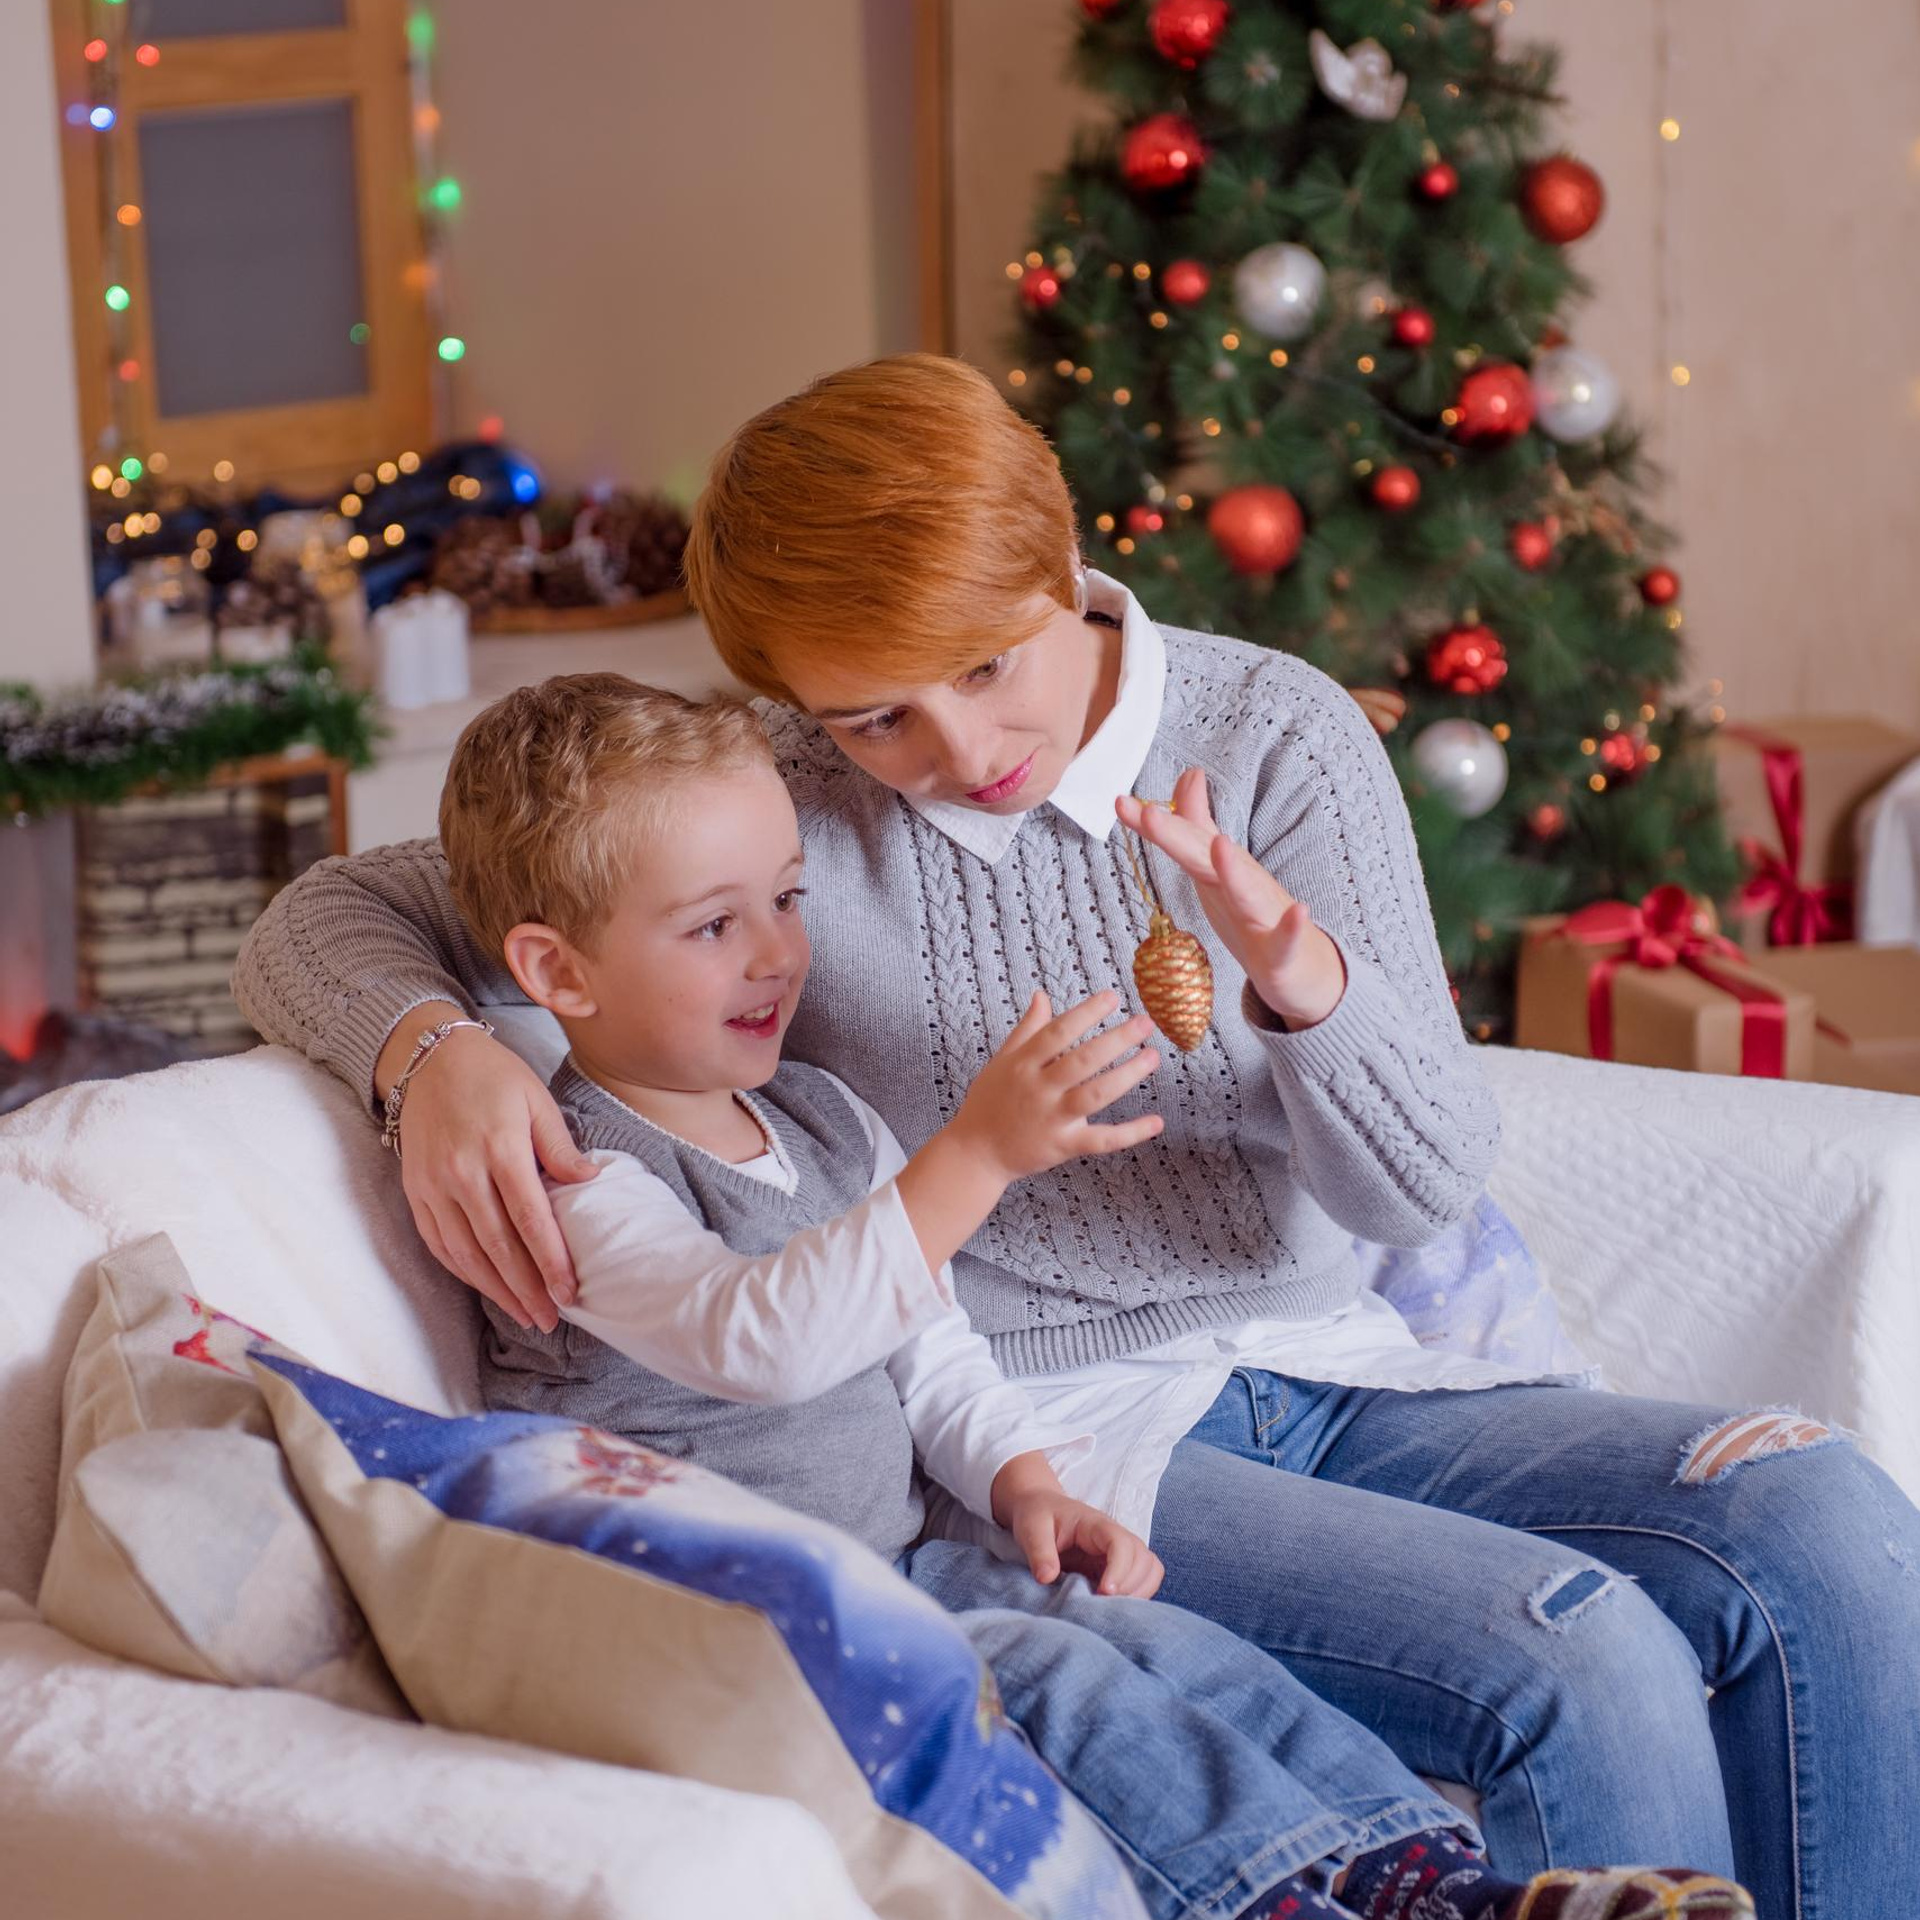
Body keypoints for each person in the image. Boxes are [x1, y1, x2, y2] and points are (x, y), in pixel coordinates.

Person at [233, 355, 1920, 1920]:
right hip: (1047, 1417)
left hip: (1337, 1362)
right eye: (877, 715)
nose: (957, 754)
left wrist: (1299, 978)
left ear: (1062, 559)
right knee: (1583, 1661)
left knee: (1828, 1521)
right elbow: (329, 912)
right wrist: (428, 1047)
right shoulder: (771, 794)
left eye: (984, 667)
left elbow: (1421, 1189)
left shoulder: (1273, 737)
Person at [425, 669, 1749, 1920]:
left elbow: (924, 1337)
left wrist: (1024, 1482)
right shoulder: (570, 1175)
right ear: (556, 974)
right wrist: (975, 1159)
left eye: (788, 898)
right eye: (716, 925)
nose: (778, 955)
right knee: (1060, 1684)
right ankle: (1282, 1887)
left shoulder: (817, 1117)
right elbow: (755, 1338)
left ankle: (1429, 1877)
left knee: (1171, 1651)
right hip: (737, 1602)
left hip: (896, 1556)